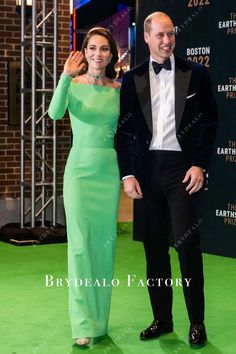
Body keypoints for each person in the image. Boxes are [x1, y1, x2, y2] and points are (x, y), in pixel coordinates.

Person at [116, 12, 217, 347]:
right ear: (146, 37)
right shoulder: (131, 79)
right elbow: (126, 131)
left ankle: (197, 323)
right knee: (154, 249)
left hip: (181, 170)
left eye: (170, 34)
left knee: (188, 246)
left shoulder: (196, 73)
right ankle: (162, 319)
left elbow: (208, 123)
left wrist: (200, 164)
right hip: (147, 172)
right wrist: (128, 174)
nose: (166, 40)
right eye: (159, 35)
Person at [48, 27, 120, 346]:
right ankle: (81, 324)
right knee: (78, 246)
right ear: (84, 51)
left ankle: (100, 322)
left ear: (111, 54)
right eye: (92, 48)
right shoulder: (73, 85)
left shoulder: (120, 89)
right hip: (78, 172)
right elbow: (54, 113)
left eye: (104, 49)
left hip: (108, 172)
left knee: (104, 246)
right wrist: (64, 76)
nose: (97, 54)